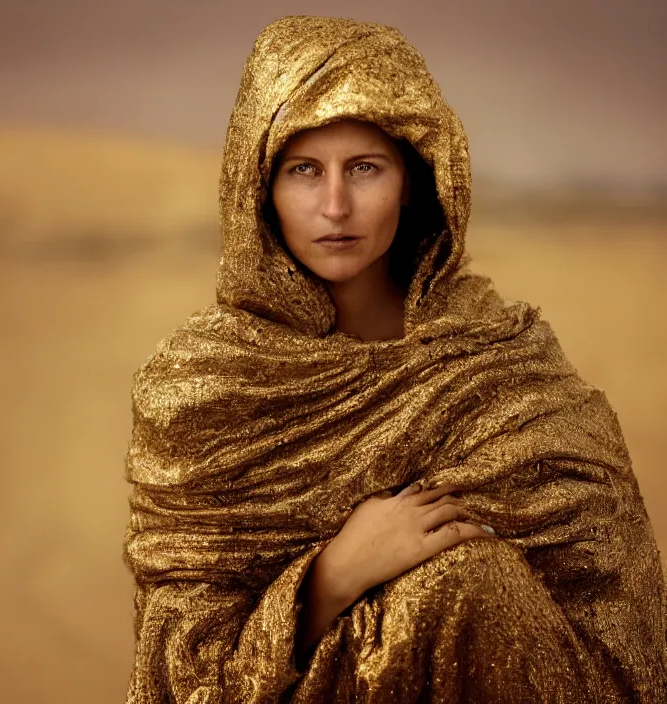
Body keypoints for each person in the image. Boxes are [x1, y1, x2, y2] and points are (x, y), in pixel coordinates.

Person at [122, 15, 667, 703]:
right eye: (303, 171)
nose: (335, 205)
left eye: (365, 169)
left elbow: (616, 626)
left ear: (414, 179)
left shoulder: (505, 361)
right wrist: (330, 579)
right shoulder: (201, 390)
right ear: (259, 187)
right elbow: (180, 672)